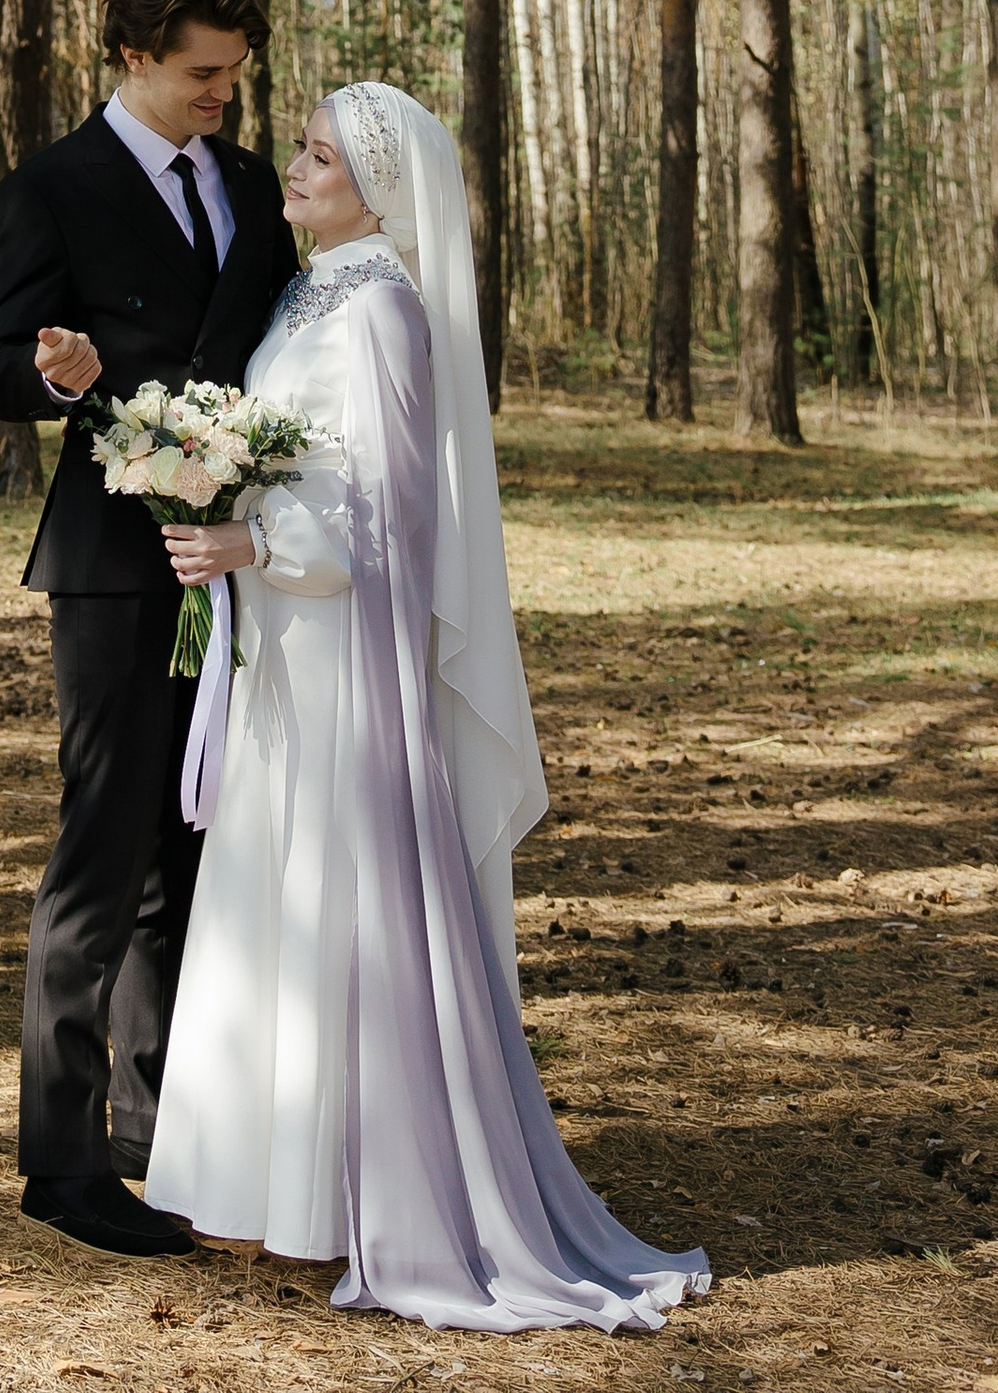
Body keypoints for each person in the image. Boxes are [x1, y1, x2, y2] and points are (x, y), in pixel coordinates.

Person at [141, 80, 712, 1334]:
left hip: (342, 642)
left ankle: (362, 1196)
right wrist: (210, 488)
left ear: (382, 190)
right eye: (298, 149)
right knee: (266, 891)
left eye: (323, 159)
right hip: (283, 642)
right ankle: (265, 1187)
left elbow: (394, 515)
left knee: (335, 897)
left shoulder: (386, 310)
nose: (294, 170)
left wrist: (255, 543)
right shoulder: (307, 290)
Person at [0, 0, 297, 1259]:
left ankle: (158, 1136)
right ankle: (62, 1162)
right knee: (103, 855)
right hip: (113, 565)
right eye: (202, 74)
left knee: (195, 850)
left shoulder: (256, 185)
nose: (224, 95)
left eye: (234, 74)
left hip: (236, 558)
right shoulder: (51, 186)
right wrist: (51, 373)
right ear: (135, 58)